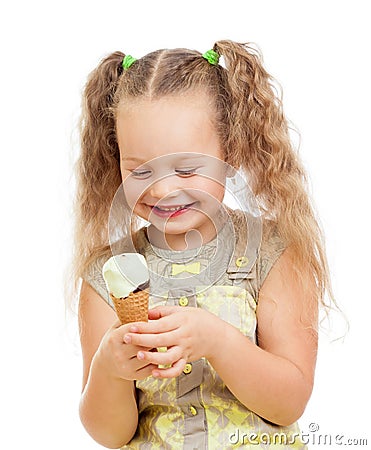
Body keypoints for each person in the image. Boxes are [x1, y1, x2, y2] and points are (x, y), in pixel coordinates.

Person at [73, 40, 334, 449]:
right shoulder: (108, 276)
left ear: (228, 152)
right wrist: (109, 370)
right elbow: (110, 434)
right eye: (139, 169)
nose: (162, 188)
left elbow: (289, 403)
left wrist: (217, 340)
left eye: (187, 167)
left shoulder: (274, 253)